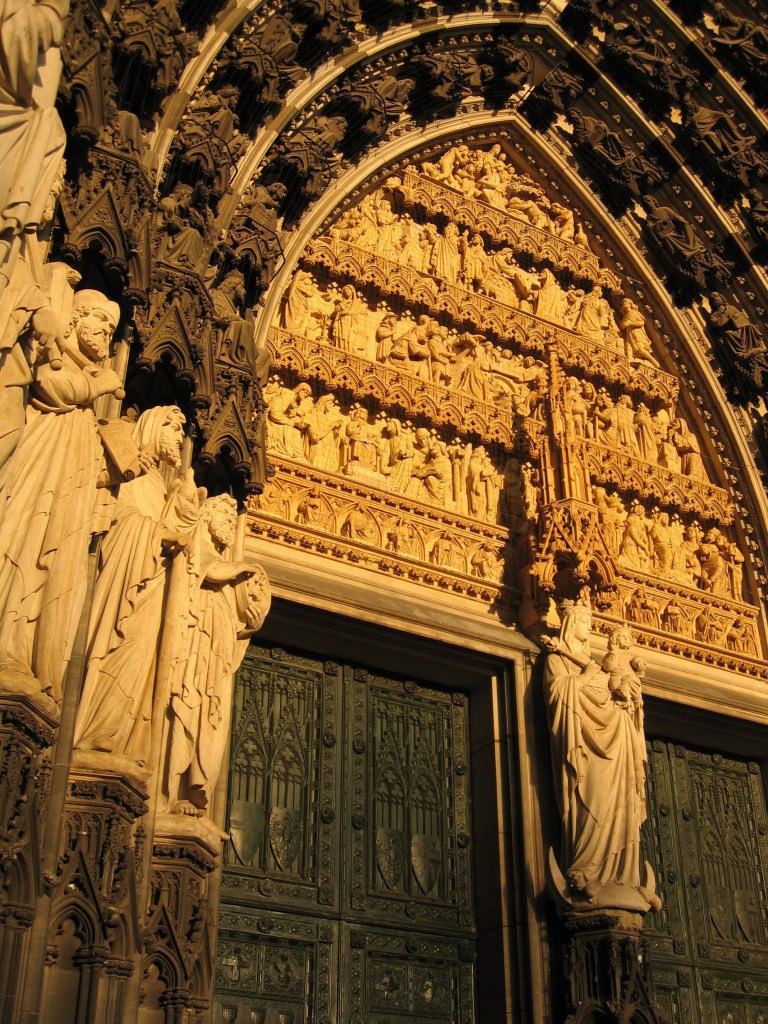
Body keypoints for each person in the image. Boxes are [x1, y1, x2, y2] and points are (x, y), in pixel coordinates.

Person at [542, 599, 655, 908]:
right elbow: (559, 694)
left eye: (590, 622)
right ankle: (586, 869)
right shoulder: (557, 659)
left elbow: (614, 691)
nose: (589, 627)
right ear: (570, 625)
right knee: (592, 802)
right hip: (586, 749)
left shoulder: (595, 660)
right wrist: (587, 674)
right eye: (584, 622)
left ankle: (621, 873)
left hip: (617, 744)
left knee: (620, 804)